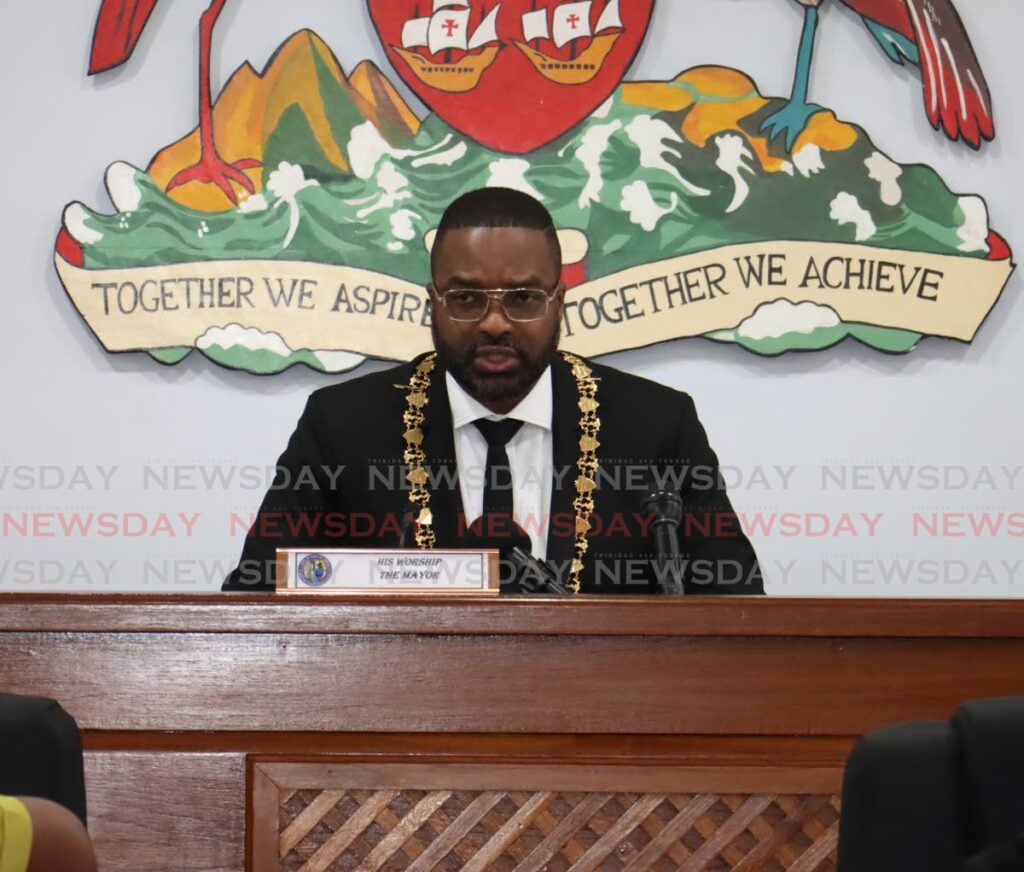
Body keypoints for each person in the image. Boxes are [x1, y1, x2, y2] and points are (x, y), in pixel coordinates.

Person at [224, 188, 763, 594]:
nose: (495, 324)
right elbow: (254, 596)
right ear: (432, 303)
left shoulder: (655, 426)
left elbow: (736, 607)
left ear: (560, 302)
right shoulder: (344, 428)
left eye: (524, 299)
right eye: (466, 298)